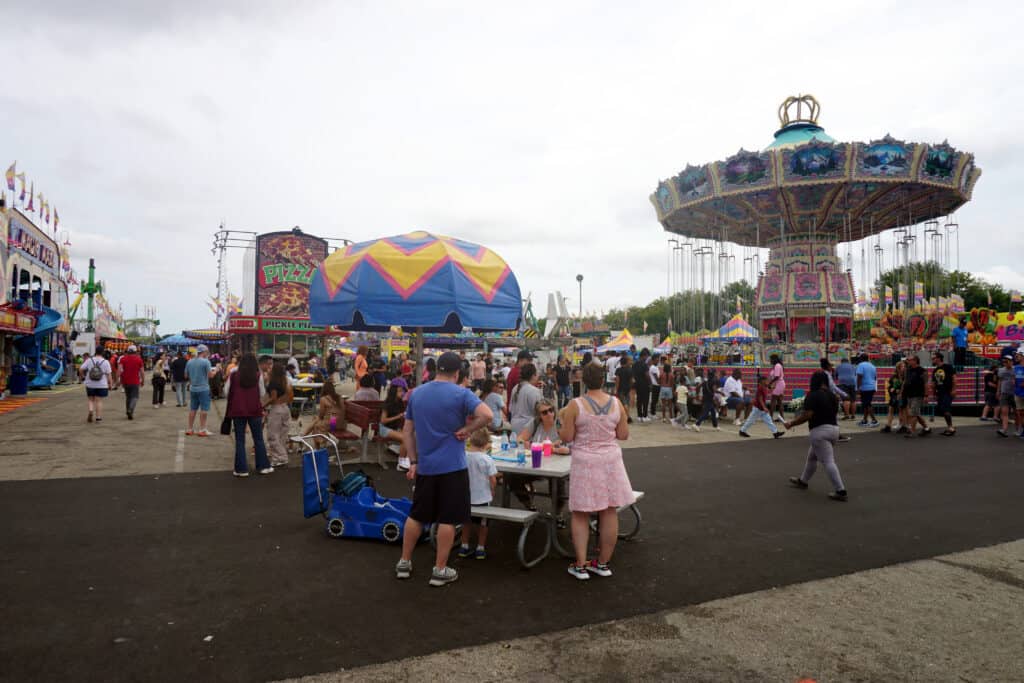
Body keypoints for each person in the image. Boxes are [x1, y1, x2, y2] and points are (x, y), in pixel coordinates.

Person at [395, 351, 493, 587]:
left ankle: (404, 562)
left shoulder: (416, 393)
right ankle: (439, 570)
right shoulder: (462, 393)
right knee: (448, 519)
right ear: (458, 373)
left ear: (437, 369)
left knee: (417, 515)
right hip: (452, 466)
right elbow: (487, 415)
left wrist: (414, 461)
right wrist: (467, 430)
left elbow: (407, 431)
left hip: (426, 465)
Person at [558, 362, 635, 580]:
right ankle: (603, 563)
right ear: (603, 379)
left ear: (583, 380)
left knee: (581, 513)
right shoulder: (616, 403)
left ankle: (581, 564)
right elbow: (623, 435)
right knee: (609, 510)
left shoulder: (575, 404)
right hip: (610, 460)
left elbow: (566, 437)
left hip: (585, 462)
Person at [785, 370, 846, 501]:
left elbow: (807, 415)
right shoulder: (832, 395)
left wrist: (792, 423)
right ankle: (803, 481)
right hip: (834, 429)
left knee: (828, 461)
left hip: (819, 431)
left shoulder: (813, 395)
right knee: (812, 457)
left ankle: (840, 490)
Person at [225, 353, 272, 476]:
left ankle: (241, 469)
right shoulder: (258, 376)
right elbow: (262, 393)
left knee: (240, 440)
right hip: (255, 410)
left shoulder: (234, 375)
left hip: (238, 411)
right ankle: (263, 467)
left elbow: (226, 391)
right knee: (258, 438)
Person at [456, 428, 499, 560]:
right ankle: (480, 547)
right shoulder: (487, 459)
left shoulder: (464, 455)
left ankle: (464, 545)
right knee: (483, 523)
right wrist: (493, 489)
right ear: (486, 443)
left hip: (467, 496)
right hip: (482, 497)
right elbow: (493, 479)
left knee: (466, 521)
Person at [303, 373, 348, 457]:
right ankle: (305, 437)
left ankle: (313, 444)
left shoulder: (323, 399)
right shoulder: (339, 397)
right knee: (316, 422)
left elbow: (321, 415)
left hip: (332, 423)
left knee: (316, 425)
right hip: (342, 423)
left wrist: (317, 419)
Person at [185, 345, 217, 436]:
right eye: (207, 352)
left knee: (193, 409)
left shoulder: (189, 362)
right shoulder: (206, 362)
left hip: (193, 388)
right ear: (204, 352)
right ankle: (202, 429)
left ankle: (190, 429)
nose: (208, 354)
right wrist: (216, 371)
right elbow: (210, 375)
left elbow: (186, 376)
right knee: (204, 409)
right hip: (203, 388)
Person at [379, 379, 410, 469]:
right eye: (400, 391)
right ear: (394, 391)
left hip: (394, 428)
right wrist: (398, 416)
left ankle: (404, 460)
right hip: (384, 429)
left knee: (410, 437)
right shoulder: (387, 404)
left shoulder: (400, 403)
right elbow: (383, 421)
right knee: (405, 438)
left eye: (402, 390)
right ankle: (401, 463)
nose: (402, 393)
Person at [509, 363, 543, 434]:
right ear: (533, 376)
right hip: (527, 427)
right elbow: (540, 410)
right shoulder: (533, 390)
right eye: (536, 375)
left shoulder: (515, 388)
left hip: (514, 425)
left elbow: (510, 409)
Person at [901, 355, 931, 437]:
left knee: (913, 413)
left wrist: (926, 395)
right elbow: (905, 381)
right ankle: (926, 428)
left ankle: (912, 431)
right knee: (916, 413)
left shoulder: (922, 371)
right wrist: (901, 392)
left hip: (918, 394)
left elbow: (926, 383)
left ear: (915, 361)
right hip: (909, 394)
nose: (908, 361)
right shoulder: (908, 370)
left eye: (910, 360)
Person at [80, 350, 112, 423]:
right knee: (99, 401)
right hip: (102, 385)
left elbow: (81, 369)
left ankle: (91, 410)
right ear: (102, 353)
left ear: (95, 352)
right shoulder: (106, 361)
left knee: (91, 399)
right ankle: (98, 418)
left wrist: (83, 377)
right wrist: (110, 384)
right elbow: (109, 374)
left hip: (90, 384)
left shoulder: (89, 360)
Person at [931, 352, 957, 436]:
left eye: (934, 358)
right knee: (942, 409)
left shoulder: (948, 367)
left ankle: (951, 428)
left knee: (946, 409)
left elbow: (954, 378)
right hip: (940, 392)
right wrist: (934, 392)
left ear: (938, 358)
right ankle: (949, 427)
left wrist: (953, 390)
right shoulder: (935, 370)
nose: (932, 360)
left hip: (947, 391)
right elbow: (934, 382)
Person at [117, 345, 145, 420]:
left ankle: (128, 411)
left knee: (128, 397)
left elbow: (119, 370)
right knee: (135, 397)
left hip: (125, 381)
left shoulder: (123, 359)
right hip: (135, 381)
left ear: (128, 351)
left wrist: (118, 380)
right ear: (135, 351)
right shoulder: (139, 359)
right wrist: (143, 380)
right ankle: (130, 409)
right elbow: (142, 372)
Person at [880, 361, 907, 434]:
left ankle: (903, 426)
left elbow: (906, 387)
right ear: (898, 368)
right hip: (894, 396)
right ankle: (888, 426)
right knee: (891, 410)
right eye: (902, 366)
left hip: (903, 396)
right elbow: (890, 386)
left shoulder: (906, 377)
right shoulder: (894, 376)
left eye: (904, 366)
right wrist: (892, 389)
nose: (903, 368)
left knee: (902, 411)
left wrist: (899, 390)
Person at [855, 354, 879, 427]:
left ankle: (874, 420)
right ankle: (865, 420)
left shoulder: (861, 365)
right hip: (872, 386)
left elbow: (859, 376)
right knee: (866, 404)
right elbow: (875, 377)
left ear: (861, 359)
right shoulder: (872, 366)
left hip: (865, 387)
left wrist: (858, 388)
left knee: (867, 404)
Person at [996, 355, 1016, 438]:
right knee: (1004, 412)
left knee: (1017, 413)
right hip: (1004, 393)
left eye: (1007, 361)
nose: (1005, 363)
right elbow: (1000, 381)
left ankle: (1019, 429)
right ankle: (1004, 430)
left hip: (1015, 393)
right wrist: (998, 391)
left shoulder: (1016, 369)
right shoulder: (1001, 370)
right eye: (1004, 361)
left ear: (1011, 361)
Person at [632, 349, 652, 423]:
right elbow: (647, 375)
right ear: (644, 356)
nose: (647, 358)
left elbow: (632, 374)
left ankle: (639, 416)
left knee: (639, 400)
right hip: (645, 384)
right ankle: (645, 416)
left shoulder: (634, 364)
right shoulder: (644, 364)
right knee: (645, 400)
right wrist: (650, 383)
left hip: (637, 384)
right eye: (646, 356)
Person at [613, 354, 634, 424]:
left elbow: (617, 380)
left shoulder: (618, 370)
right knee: (627, 403)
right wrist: (630, 387)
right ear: (626, 362)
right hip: (627, 389)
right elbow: (632, 381)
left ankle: (628, 417)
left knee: (623, 403)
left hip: (621, 389)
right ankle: (625, 416)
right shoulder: (630, 370)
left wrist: (616, 389)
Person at [768, 354, 786, 422]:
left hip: (779, 384)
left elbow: (777, 377)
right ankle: (782, 418)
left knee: (773, 401)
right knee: (779, 402)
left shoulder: (777, 366)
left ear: (774, 359)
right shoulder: (777, 366)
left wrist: (770, 383)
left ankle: (770, 417)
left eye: (771, 359)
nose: (770, 361)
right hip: (779, 384)